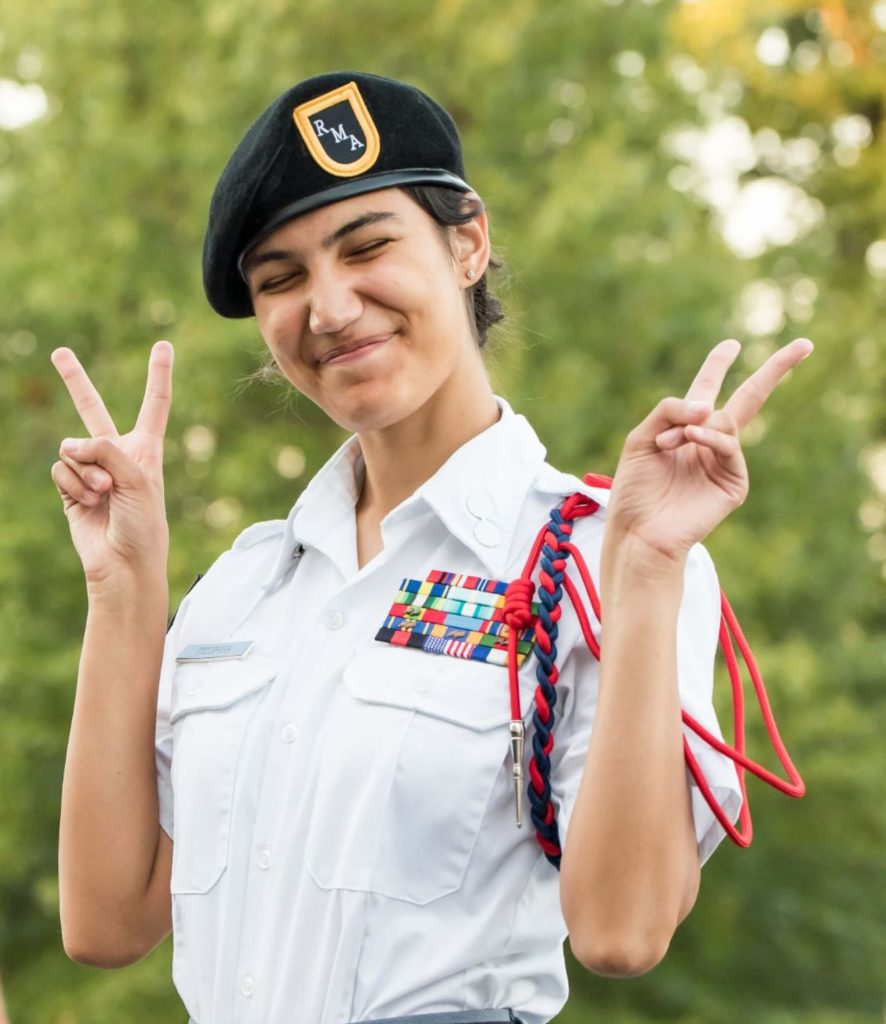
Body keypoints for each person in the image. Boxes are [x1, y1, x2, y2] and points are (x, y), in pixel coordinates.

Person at [50, 71, 811, 1024]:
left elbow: (624, 932)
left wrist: (649, 575)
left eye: (366, 246)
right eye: (280, 279)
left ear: (468, 245)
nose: (327, 307)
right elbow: (106, 921)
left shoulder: (597, 554)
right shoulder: (242, 588)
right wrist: (122, 588)